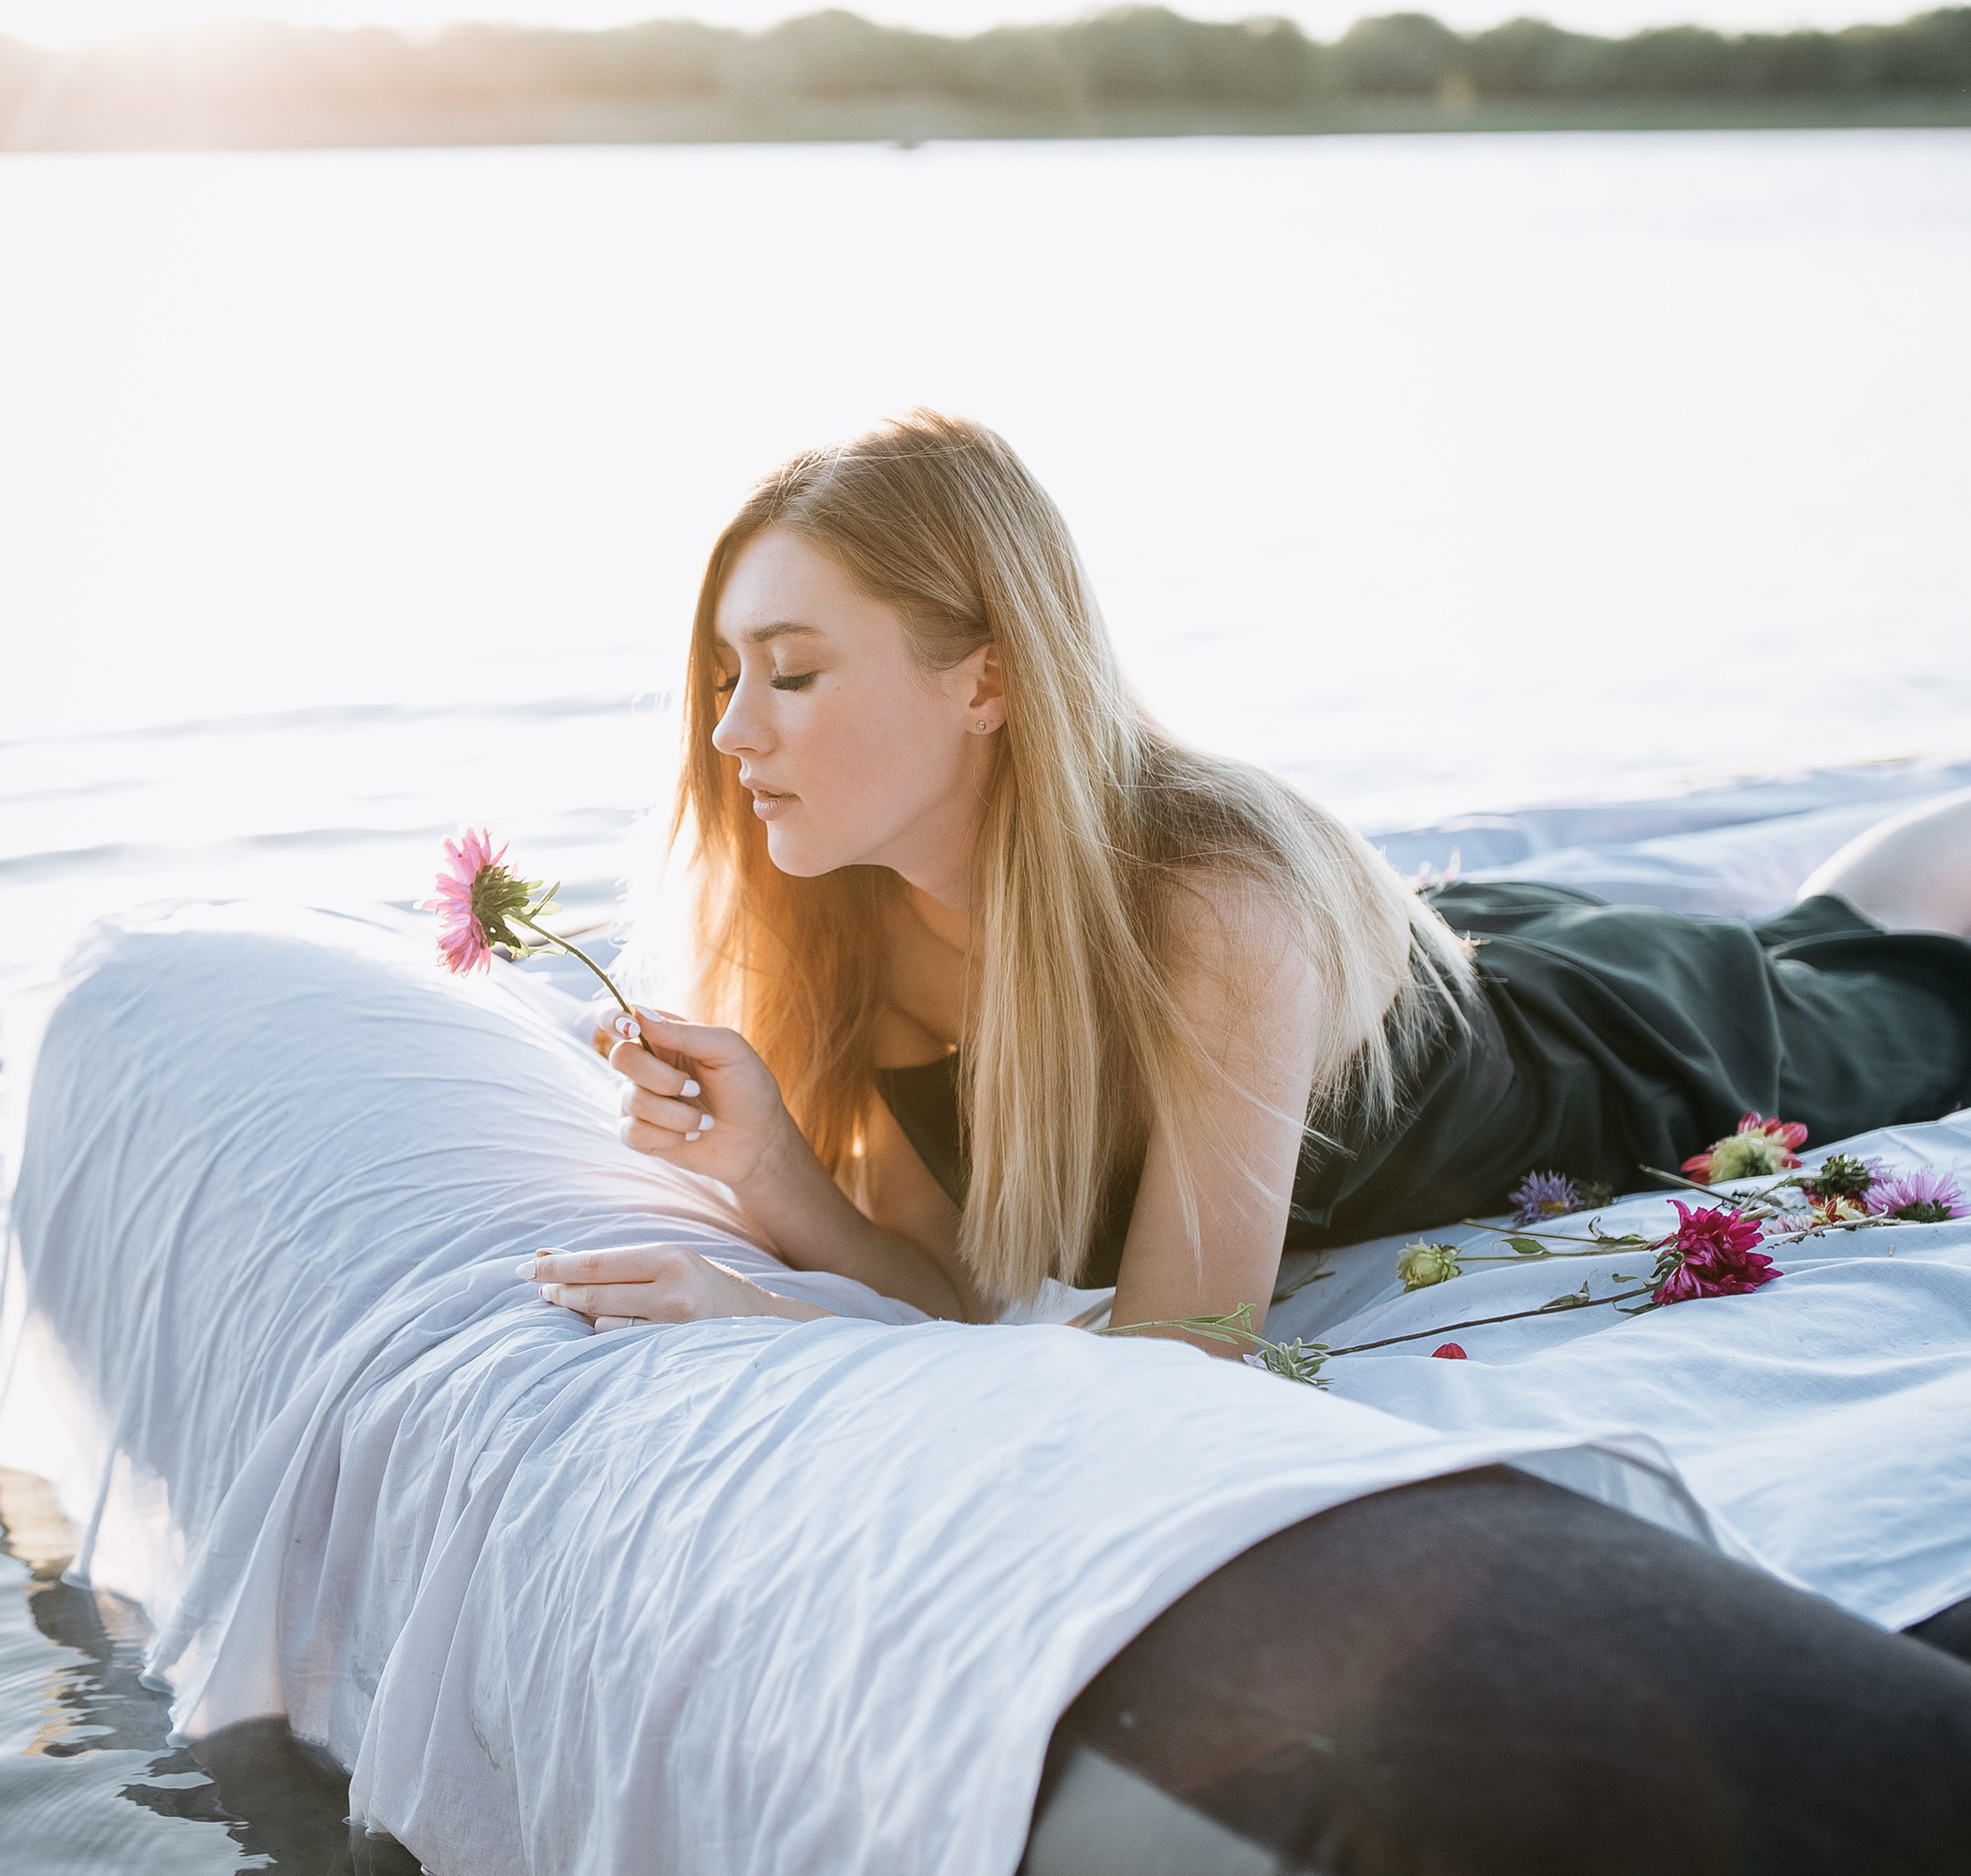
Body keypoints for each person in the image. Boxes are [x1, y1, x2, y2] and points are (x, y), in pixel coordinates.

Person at [526, 411, 1971, 1351]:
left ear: (988, 681)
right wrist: (769, 1166)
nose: (732, 731)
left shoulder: (1213, 900)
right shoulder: (867, 929)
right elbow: (951, 1289)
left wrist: (773, 1316)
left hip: (1614, 1060)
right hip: (1434, 963)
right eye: (724, 676)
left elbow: (1184, 1356)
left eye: (790, 673)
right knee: (1832, 930)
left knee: (1881, 968)